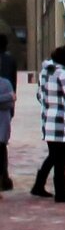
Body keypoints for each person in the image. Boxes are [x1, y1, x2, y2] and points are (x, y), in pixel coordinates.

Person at [30, 45, 65, 202]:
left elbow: (39, 95)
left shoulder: (45, 71)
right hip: (61, 119)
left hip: (48, 117)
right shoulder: (62, 73)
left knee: (53, 155)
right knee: (61, 158)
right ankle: (61, 192)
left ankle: (39, 184)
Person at [0, 40, 18, 192]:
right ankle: (3, 177)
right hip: (5, 109)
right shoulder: (10, 61)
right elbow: (14, 90)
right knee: (2, 146)